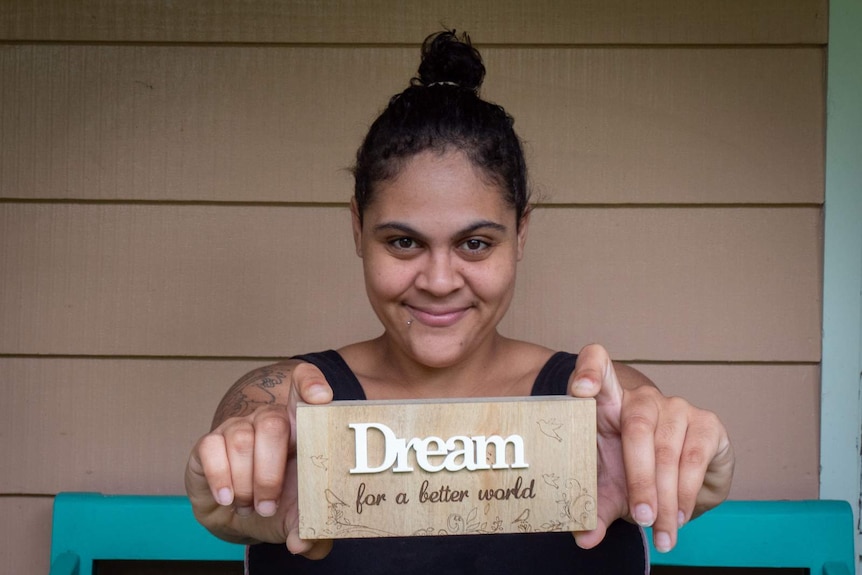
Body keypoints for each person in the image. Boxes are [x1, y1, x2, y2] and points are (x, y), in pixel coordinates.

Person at [185, 30, 734, 574]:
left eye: (475, 244)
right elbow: (242, 448)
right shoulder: (285, 400)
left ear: (520, 234)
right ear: (357, 228)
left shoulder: (601, 407)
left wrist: (678, 460)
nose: (441, 280)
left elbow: (656, 441)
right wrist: (243, 471)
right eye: (403, 242)